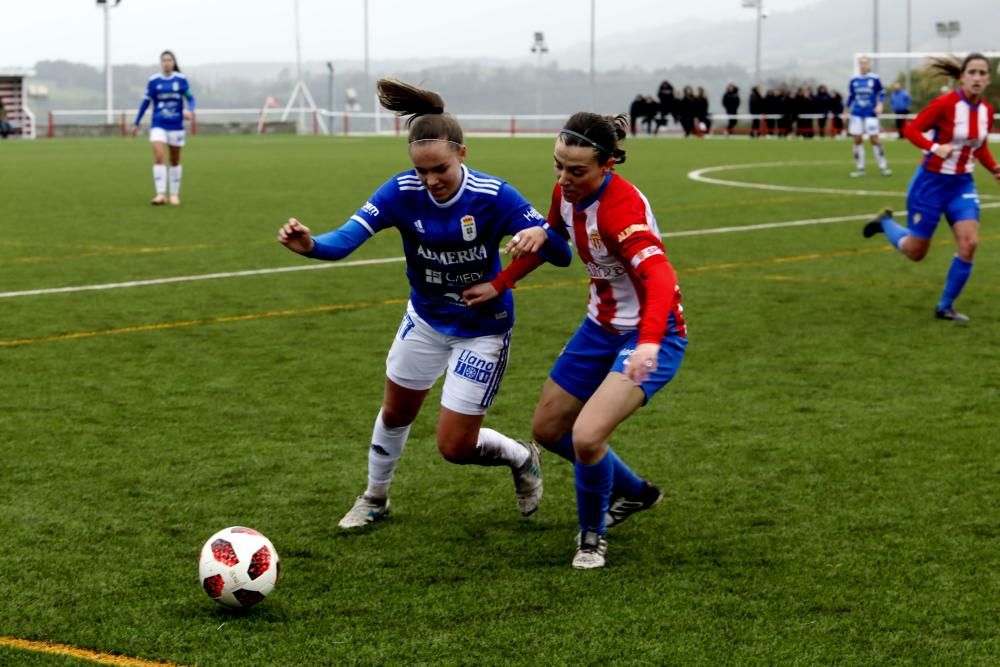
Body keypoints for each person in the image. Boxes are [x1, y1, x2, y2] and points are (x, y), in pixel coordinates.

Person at [278, 78, 573, 529]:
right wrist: (312, 244)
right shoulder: (401, 192)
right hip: (426, 319)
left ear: (462, 155)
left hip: (482, 329)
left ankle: (520, 457)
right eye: (422, 171)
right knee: (395, 411)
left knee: (454, 448)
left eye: (440, 169)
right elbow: (345, 240)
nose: (431, 180)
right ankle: (375, 498)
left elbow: (562, 254)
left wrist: (540, 237)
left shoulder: (494, 196)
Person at [465, 113, 687, 569]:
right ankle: (635, 492)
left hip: (652, 334)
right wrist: (504, 279)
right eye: (557, 166)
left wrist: (647, 342)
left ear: (607, 164)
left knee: (587, 436)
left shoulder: (621, 210)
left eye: (576, 170)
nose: (564, 178)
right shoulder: (565, 194)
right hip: (599, 328)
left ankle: (592, 537)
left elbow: (661, 276)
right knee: (548, 431)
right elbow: (555, 241)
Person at [862, 54, 999, 322]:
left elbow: (978, 146)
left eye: (983, 73)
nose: (977, 78)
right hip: (931, 184)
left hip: (962, 185)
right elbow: (912, 130)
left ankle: (945, 306)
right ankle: (886, 223)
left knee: (970, 243)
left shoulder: (986, 111)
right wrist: (936, 148)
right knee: (916, 252)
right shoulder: (946, 103)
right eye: (972, 72)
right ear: (962, 77)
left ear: (988, 79)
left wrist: (994, 167)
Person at [132, 50, 196, 205]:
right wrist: (136, 122)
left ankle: (174, 194)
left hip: (176, 125)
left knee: (174, 160)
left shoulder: (181, 80)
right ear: (160, 63)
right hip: (158, 124)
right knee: (159, 156)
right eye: (164, 60)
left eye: (169, 60)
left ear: (173, 63)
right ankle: (160, 194)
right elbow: (145, 102)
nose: (166, 63)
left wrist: (190, 111)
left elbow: (190, 98)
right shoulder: (154, 81)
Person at [845, 56, 890, 177]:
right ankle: (860, 168)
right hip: (857, 113)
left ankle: (883, 166)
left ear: (869, 65)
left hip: (870, 113)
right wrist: (845, 110)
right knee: (857, 139)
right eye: (861, 63)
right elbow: (850, 96)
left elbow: (882, 92)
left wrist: (880, 104)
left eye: (865, 63)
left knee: (874, 139)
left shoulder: (874, 78)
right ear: (858, 65)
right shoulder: (854, 79)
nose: (863, 65)